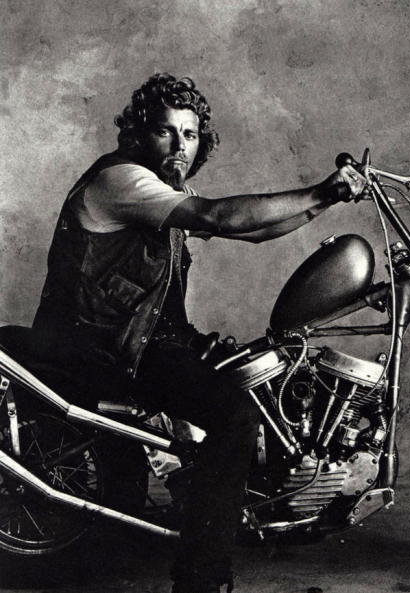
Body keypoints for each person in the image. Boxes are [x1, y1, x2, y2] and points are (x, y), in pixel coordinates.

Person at [31, 73, 366, 593]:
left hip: (142, 338)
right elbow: (220, 216)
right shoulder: (122, 181)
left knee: (254, 376)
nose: (179, 146)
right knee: (234, 413)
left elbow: (254, 231)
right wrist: (322, 189)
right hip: (102, 345)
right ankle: (199, 580)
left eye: (189, 135)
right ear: (139, 134)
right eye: (165, 131)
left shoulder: (165, 193)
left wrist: (326, 200)